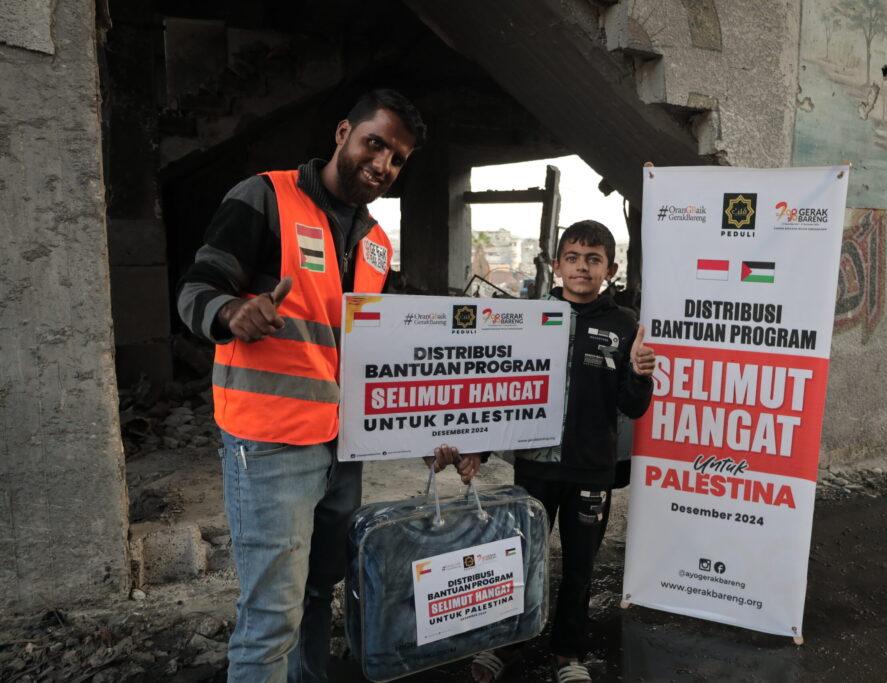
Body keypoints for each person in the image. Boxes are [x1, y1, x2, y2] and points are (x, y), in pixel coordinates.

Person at [177, 88, 480, 682]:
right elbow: (195, 290)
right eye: (375, 143)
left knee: (319, 594)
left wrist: (429, 430)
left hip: (344, 450)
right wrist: (231, 312)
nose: (383, 164)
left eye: (397, 159)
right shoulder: (265, 197)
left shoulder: (376, 243)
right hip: (271, 447)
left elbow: (381, 357)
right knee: (270, 621)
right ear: (344, 133)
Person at [470, 220, 655, 683]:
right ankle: (509, 645)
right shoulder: (529, 318)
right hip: (535, 468)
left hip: (591, 469)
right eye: (572, 258)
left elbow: (632, 407)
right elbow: (502, 392)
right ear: (556, 265)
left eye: (593, 260)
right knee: (521, 559)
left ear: (610, 269)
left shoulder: (623, 325)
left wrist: (640, 374)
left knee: (578, 568)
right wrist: (480, 450)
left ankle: (567, 654)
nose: (581, 267)